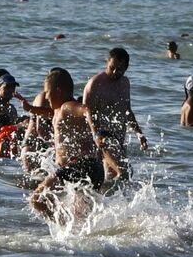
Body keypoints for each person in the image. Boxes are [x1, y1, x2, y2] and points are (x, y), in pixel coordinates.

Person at [24, 68, 111, 218]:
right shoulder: (60, 111)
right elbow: (51, 114)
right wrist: (31, 109)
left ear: (58, 91)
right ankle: (74, 235)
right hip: (92, 167)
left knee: (36, 199)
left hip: (79, 166)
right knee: (80, 216)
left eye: (47, 93)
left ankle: (62, 228)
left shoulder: (67, 107)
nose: (46, 97)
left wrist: (96, 134)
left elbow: (86, 109)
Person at [81, 48, 149, 179]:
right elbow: (86, 112)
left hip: (118, 138)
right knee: (123, 173)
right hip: (100, 137)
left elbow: (127, 112)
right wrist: (96, 135)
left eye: (119, 70)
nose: (114, 72)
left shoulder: (124, 83)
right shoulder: (95, 83)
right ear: (107, 62)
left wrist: (139, 133)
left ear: (126, 69)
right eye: (112, 67)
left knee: (114, 177)